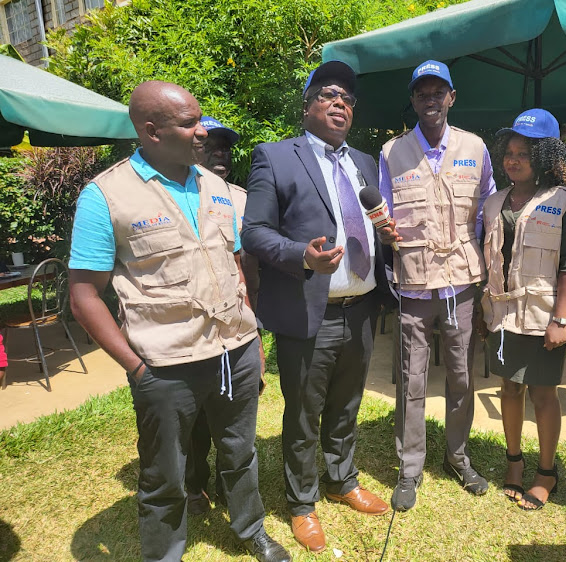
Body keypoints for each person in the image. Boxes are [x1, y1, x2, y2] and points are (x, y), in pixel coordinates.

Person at [68, 81, 290, 562]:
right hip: (165, 365)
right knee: (165, 473)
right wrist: (136, 367)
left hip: (235, 353)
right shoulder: (106, 196)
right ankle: (165, 553)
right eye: (190, 122)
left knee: (240, 452)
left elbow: (236, 267)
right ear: (151, 131)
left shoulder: (220, 190)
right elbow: (84, 296)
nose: (202, 132)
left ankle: (250, 528)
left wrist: (251, 337)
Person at [242, 61, 389, 554]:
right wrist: (300, 256)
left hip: (362, 307)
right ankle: (302, 503)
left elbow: (368, 218)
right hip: (311, 312)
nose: (340, 103)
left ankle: (341, 481)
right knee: (304, 414)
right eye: (328, 94)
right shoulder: (276, 157)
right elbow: (255, 232)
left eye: (348, 98)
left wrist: (385, 237)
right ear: (307, 105)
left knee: (346, 406)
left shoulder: (365, 163)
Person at [378, 60, 496, 512]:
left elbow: (486, 211)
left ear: (451, 97)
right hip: (413, 283)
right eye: (421, 93)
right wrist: (384, 233)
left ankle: (457, 456)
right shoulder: (392, 152)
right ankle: (410, 468)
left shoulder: (476, 147)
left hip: (461, 283)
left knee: (463, 375)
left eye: (438, 91)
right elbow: (382, 215)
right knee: (412, 378)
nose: (430, 99)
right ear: (413, 100)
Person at [481, 109, 566, 510]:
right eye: (509, 152)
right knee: (508, 387)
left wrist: (561, 318)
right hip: (501, 314)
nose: (513, 159)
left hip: (542, 315)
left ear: (543, 156)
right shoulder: (493, 203)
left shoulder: (563, 202)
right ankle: (513, 462)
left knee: (542, 393)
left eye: (524, 152)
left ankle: (546, 471)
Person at [185, 116, 263, 514]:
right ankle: (194, 484)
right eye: (211, 144)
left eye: (227, 147)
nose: (221, 152)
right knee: (195, 416)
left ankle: (227, 485)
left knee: (235, 412)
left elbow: (248, 259)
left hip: (240, 322)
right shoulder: (171, 194)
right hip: (190, 332)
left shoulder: (241, 197)